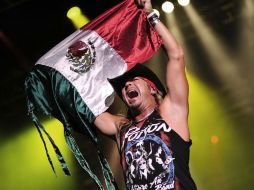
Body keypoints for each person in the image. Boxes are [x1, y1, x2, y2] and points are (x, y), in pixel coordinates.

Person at [94, 0, 197, 189]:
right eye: (124, 85)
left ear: (152, 88)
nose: (127, 84)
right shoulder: (121, 128)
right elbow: (86, 109)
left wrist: (150, 15)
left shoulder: (170, 112)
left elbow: (176, 56)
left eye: (134, 80)